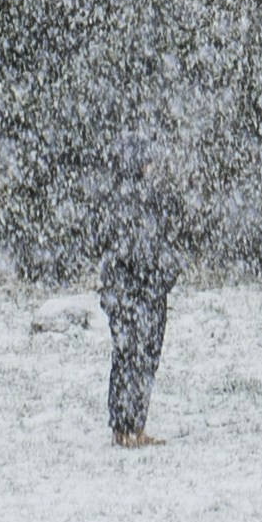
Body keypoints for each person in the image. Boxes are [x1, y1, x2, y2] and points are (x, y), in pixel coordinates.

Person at [95, 122, 198, 446]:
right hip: (141, 291)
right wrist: (164, 273)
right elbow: (153, 247)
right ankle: (130, 428)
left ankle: (125, 427)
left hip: (131, 291)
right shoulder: (139, 199)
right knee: (139, 359)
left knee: (128, 358)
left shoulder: (116, 197)